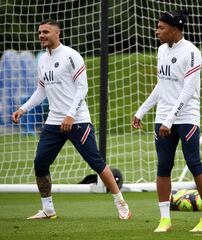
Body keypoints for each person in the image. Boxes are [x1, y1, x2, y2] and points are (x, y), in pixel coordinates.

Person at [12, 19, 131, 220]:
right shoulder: (42, 59)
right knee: (40, 163)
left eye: (46, 32)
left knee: (96, 162)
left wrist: (70, 114)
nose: (41, 35)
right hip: (54, 122)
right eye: (40, 32)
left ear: (57, 33)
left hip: (78, 121)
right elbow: (41, 91)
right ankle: (48, 209)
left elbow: (82, 87)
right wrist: (23, 109)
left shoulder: (71, 55)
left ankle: (120, 202)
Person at [132, 10, 202, 233]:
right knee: (163, 166)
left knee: (193, 162)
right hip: (163, 118)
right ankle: (165, 220)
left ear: (175, 29)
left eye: (161, 28)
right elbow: (162, 85)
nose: (157, 31)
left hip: (186, 117)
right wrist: (141, 111)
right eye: (157, 27)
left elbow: (188, 90)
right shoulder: (161, 50)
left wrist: (170, 119)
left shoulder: (191, 52)